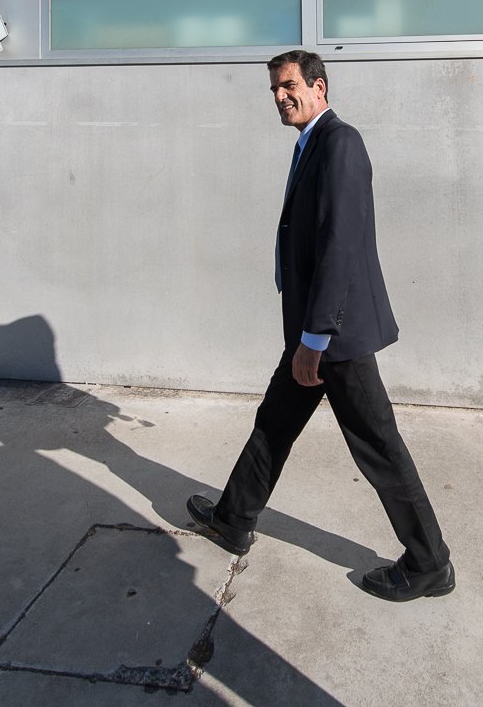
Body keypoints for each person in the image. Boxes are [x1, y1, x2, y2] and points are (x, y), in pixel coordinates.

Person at [187, 50, 454, 602]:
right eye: (274, 89)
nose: (280, 96)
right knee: (274, 422)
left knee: (378, 445)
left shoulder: (340, 143)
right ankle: (234, 518)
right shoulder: (311, 144)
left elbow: (341, 246)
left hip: (335, 336)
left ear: (318, 86)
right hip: (313, 329)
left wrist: (314, 340)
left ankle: (430, 563)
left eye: (289, 85)